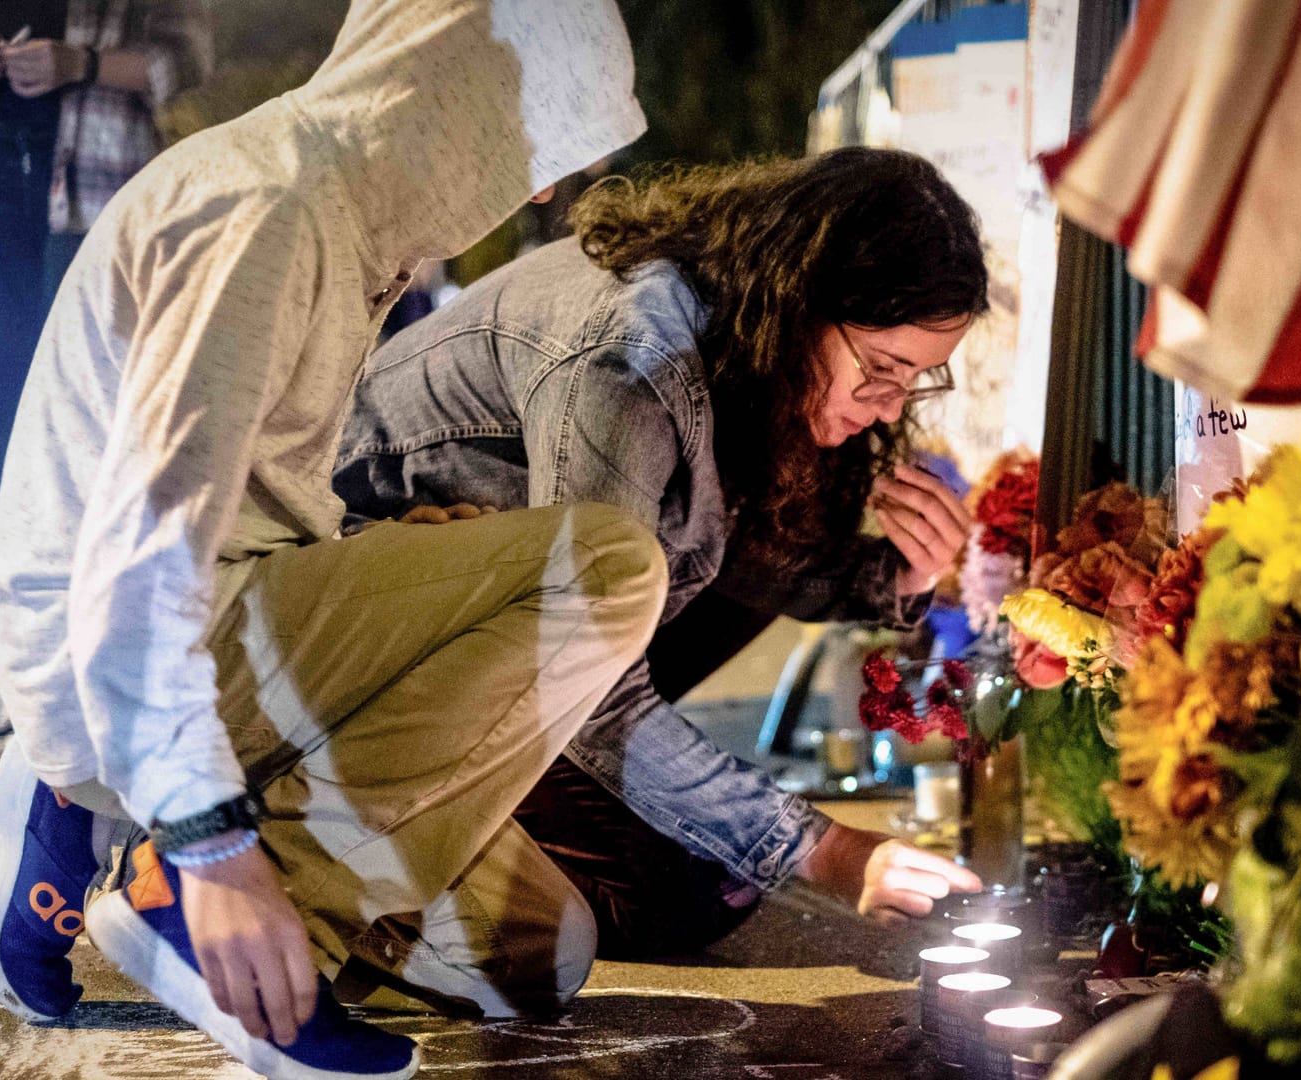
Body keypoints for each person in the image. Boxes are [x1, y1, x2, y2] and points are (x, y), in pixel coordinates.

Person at [0, 2, 656, 1077]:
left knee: (537, 957)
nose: (534, 190)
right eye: (540, 144)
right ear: (455, 92)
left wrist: (373, 553)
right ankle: (169, 879)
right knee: (608, 567)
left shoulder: (343, 221)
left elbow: (248, 489)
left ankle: (100, 815)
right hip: (134, 646)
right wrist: (219, 849)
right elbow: (144, 553)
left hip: (220, 627)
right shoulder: (268, 209)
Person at [332, 147, 990, 971]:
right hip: (363, 666)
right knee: (657, 903)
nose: (890, 405)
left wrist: (894, 577)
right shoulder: (629, 369)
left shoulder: (736, 343)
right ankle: (347, 843)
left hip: (503, 640)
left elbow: (728, 553)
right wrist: (826, 853)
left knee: (711, 874)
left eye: (917, 380)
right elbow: (587, 677)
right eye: (880, 369)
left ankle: (489, 821)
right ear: (795, 301)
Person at [0, 0, 213, 738]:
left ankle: (118, 664)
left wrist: (76, 65)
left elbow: (186, 59)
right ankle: (22, 680)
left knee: (103, 435)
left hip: (96, 198)